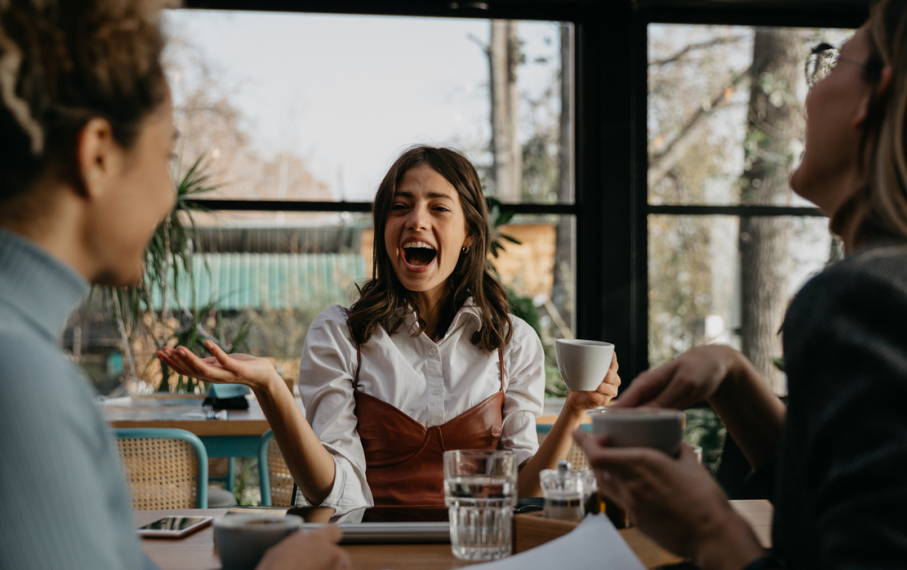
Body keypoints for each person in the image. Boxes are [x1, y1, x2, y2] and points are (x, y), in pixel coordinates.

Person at [574, 0, 907, 570]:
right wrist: (737, 381)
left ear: (874, 97)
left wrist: (718, 540)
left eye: (832, 60)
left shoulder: (875, 302)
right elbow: (845, 511)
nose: (812, 87)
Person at [0, 2, 352, 570]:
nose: (168, 198)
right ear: (96, 154)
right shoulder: (11, 376)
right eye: (165, 155)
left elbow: (105, 564)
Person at [160, 146, 620, 521]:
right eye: (400, 208)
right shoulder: (339, 333)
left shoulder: (513, 342)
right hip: (370, 550)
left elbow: (521, 487)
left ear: (469, 234)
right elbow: (331, 490)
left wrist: (576, 409)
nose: (416, 220)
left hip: (481, 549)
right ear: (384, 231)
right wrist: (270, 386)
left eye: (438, 207)